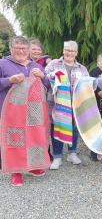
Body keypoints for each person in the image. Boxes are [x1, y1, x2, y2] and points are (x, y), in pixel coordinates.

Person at [0, 36, 50, 186]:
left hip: (34, 112)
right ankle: (16, 172)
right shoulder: (3, 64)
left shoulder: (36, 66)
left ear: (28, 50)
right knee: (16, 139)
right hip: (12, 111)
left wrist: (43, 76)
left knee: (35, 138)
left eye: (24, 48)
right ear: (11, 49)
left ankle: (33, 166)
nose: (21, 51)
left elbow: (48, 85)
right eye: (17, 48)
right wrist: (9, 80)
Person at [45, 40, 89, 170]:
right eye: (67, 50)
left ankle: (72, 153)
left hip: (76, 105)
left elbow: (87, 84)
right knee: (57, 128)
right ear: (63, 51)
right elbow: (44, 78)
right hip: (57, 104)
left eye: (73, 51)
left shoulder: (82, 68)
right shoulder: (54, 64)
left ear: (76, 53)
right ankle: (57, 157)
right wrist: (53, 75)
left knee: (74, 128)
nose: (70, 53)